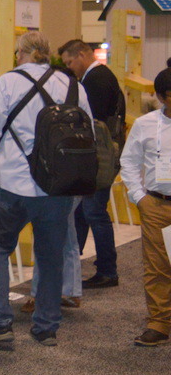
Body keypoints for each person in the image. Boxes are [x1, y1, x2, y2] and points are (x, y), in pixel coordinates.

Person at [0, 31, 91, 349]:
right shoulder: (73, 85)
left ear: (20, 53)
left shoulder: (8, 82)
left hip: (14, 184)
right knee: (50, 256)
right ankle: (46, 326)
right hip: (58, 188)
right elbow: (87, 131)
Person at [59, 38, 124, 288]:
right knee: (84, 213)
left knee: (93, 212)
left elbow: (90, 121)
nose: (70, 68)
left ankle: (107, 269)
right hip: (101, 156)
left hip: (98, 158)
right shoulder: (100, 77)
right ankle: (72, 268)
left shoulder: (96, 80)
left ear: (82, 55)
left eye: (70, 62)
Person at [117, 67, 171, 347]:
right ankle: (159, 322)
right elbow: (128, 161)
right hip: (157, 204)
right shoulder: (145, 124)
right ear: (161, 97)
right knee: (157, 267)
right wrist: (139, 197)